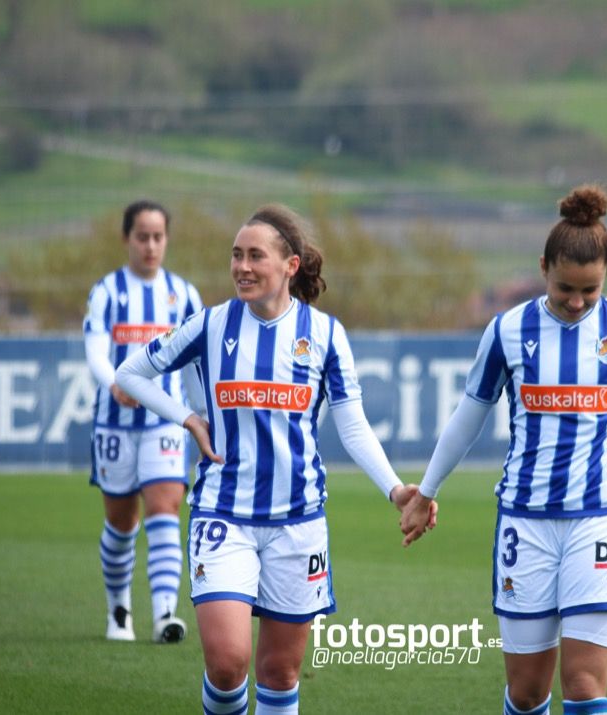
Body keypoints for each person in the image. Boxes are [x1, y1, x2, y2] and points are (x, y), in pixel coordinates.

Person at [115, 203, 435, 715]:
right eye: (236, 255)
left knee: (280, 673)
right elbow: (130, 374)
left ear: (290, 265)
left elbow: (352, 426)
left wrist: (396, 489)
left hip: (298, 524)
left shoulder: (325, 334)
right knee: (227, 663)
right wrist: (188, 418)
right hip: (224, 515)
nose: (242, 266)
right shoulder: (210, 324)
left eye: (255, 256)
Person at [400, 184, 607, 715]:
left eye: (590, 290)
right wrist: (428, 490)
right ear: (543, 269)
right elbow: (469, 414)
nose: (577, 302)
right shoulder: (508, 330)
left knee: (583, 684)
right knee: (527, 691)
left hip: (601, 517)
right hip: (526, 521)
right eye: (565, 289)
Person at [83, 199, 204, 644]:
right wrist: (114, 382)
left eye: (158, 237)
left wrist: (201, 413)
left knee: (165, 508)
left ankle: (165, 613)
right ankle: (119, 611)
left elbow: (195, 362)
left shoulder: (184, 294)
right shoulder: (106, 292)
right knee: (121, 522)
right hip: (114, 424)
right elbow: (96, 350)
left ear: (166, 239)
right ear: (126, 238)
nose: (151, 246)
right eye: (142, 237)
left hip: (165, 422)